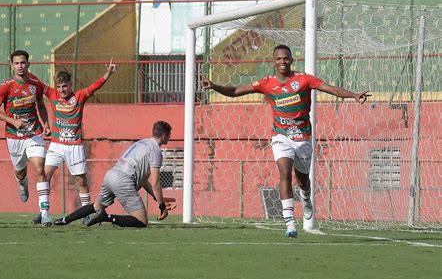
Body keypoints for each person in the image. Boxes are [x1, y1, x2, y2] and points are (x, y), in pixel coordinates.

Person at [202, 45, 371, 238]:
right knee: (284, 171)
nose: (283, 61)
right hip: (281, 136)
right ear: (273, 61)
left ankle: (306, 198)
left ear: (291, 60)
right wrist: (214, 86)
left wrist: (354, 95)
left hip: (303, 137)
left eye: (286, 58)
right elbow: (235, 91)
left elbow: (330, 89)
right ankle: (290, 222)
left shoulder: (304, 79)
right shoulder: (267, 83)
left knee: (303, 181)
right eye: (279, 58)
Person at [31, 60, 117, 225]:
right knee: (43, 175)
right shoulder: (52, 95)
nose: (62, 90)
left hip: (74, 147)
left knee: (81, 181)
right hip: (56, 145)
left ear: (70, 85)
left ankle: (86, 215)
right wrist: (24, 71)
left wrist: (109, 74)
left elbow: (94, 86)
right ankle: (44, 212)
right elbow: (37, 83)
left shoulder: (79, 96)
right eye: (59, 86)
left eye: (65, 86)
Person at [54, 121, 176, 227]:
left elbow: (144, 180)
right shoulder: (156, 151)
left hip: (111, 175)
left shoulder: (142, 142)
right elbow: (155, 183)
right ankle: (106, 217)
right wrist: (162, 206)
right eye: (169, 135)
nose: (170, 138)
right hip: (124, 180)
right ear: (164, 135)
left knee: (97, 206)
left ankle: (65, 220)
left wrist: (157, 198)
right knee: (142, 221)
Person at [0, 50, 53, 226]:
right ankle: (22, 182)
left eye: (23, 63)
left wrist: (46, 123)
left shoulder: (35, 83)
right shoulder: (6, 86)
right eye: (17, 63)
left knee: (40, 169)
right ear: (11, 65)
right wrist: (12, 121)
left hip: (34, 133)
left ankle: (45, 212)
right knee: (20, 171)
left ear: (28, 64)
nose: (20, 66)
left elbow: (41, 104)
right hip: (14, 136)